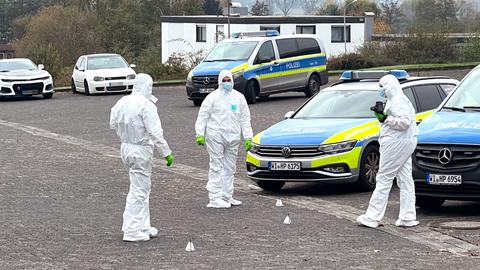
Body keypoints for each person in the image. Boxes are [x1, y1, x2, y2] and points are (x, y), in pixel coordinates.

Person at [110, 73, 174, 242]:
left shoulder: (121, 102)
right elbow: (155, 133)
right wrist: (166, 152)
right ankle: (131, 230)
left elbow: (112, 124)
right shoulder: (146, 105)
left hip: (126, 147)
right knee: (138, 190)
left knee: (142, 188)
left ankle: (142, 225)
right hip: (140, 149)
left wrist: (126, 136)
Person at [357, 74, 419, 228]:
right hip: (402, 142)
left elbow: (404, 122)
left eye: (383, 87)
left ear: (389, 87)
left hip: (396, 143)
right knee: (405, 180)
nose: (382, 91)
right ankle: (408, 217)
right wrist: (383, 115)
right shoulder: (396, 100)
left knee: (384, 178)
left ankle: (372, 217)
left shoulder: (398, 100)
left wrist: (385, 119)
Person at [195, 70, 253, 208]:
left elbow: (245, 119)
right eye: (224, 80)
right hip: (216, 136)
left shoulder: (239, 98)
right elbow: (202, 116)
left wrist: (248, 137)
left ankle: (226, 195)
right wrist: (199, 134)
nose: (227, 82)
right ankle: (214, 197)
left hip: (233, 137)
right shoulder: (212, 98)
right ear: (220, 81)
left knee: (230, 168)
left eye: (229, 80)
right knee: (216, 166)